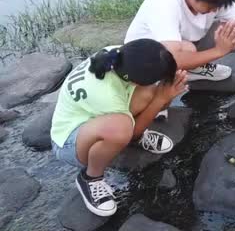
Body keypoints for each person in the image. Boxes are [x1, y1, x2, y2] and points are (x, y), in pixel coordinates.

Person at [50, 39, 188, 216]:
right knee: (121, 129)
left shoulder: (117, 54)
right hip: (68, 143)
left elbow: (147, 88)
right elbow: (127, 132)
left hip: (94, 119)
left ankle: (126, 140)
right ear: (134, 80)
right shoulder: (105, 93)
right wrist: (162, 99)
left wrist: (163, 91)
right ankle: (90, 178)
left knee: (149, 93)